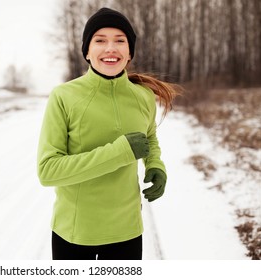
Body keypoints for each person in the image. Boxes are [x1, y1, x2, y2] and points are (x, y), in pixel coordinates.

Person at [37, 7, 179, 260]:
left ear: (129, 52)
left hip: (127, 231)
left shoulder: (143, 96)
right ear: (87, 52)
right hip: (75, 232)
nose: (110, 48)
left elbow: (148, 137)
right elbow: (48, 171)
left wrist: (155, 164)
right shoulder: (64, 96)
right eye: (100, 40)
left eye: (120, 41)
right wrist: (120, 152)